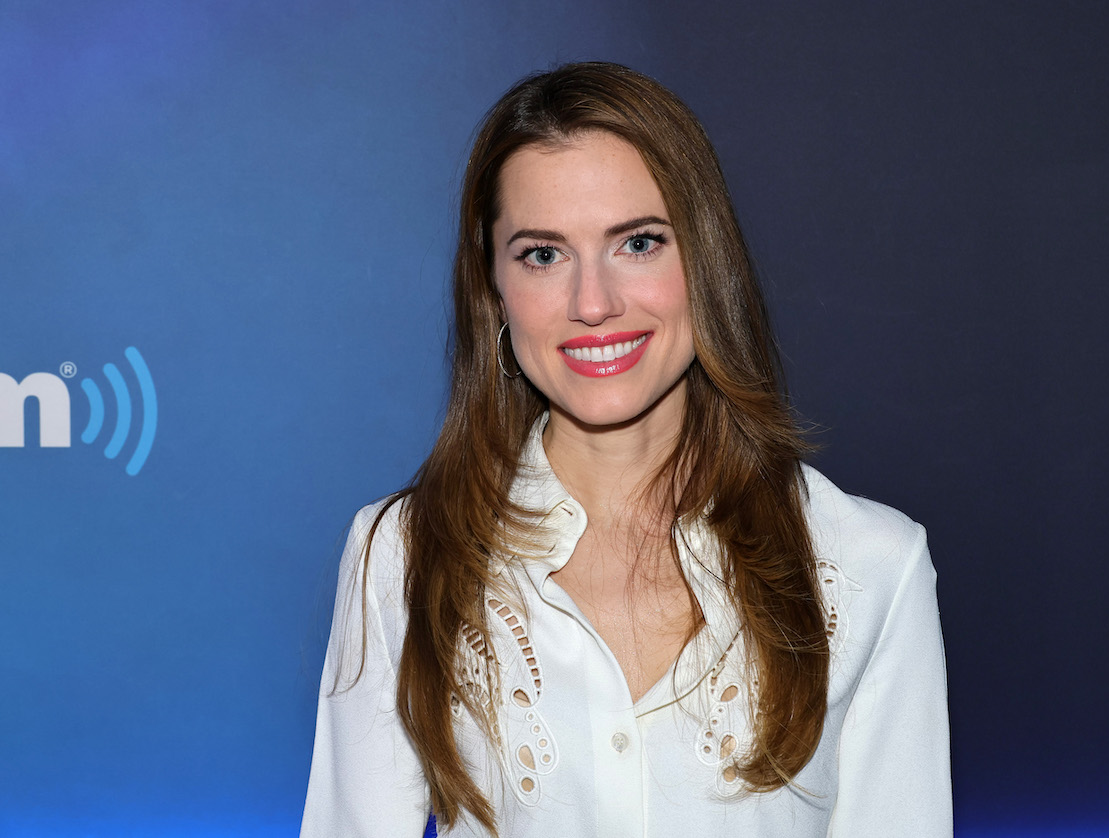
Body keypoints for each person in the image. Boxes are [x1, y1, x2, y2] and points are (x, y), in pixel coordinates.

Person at [300, 62, 950, 837]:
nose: (594, 304)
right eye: (544, 254)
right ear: (493, 288)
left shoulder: (873, 564)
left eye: (637, 243)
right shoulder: (400, 556)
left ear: (705, 259)